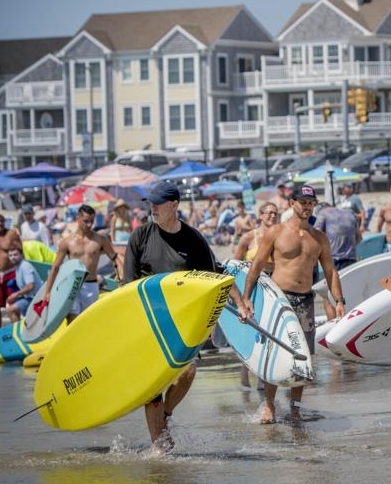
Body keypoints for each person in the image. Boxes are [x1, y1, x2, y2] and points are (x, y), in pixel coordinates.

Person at [122, 181, 220, 451]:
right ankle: (159, 447)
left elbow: (211, 282)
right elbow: (127, 286)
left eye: (158, 203)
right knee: (152, 385)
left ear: (174, 205)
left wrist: (210, 321)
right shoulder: (139, 237)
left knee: (186, 372)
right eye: (150, 203)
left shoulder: (194, 240)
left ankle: (165, 414)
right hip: (147, 321)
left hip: (182, 323)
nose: (152, 208)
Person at [234, 183, 341, 425]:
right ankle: (270, 406)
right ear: (292, 203)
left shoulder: (319, 238)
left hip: (305, 300)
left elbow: (330, 271)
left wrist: (339, 300)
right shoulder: (276, 232)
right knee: (274, 351)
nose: (307, 207)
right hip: (279, 299)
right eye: (302, 203)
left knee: (302, 357)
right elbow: (257, 265)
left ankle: (294, 409)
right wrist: (247, 297)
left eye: (311, 203)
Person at [39, 204, 119, 326]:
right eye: (86, 221)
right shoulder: (66, 242)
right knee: (72, 321)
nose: (89, 225)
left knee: (90, 323)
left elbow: (115, 258)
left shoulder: (100, 240)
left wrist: (119, 276)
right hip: (72, 286)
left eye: (91, 221)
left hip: (91, 285)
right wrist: (48, 292)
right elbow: (55, 267)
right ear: (78, 219)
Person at [313, 194, 360, 269]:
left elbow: (315, 234)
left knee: (334, 280)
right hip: (351, 258)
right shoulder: (349, 213)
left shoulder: (323, 213)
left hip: (334, 259)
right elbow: (359, 238)